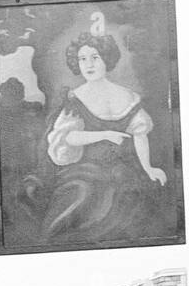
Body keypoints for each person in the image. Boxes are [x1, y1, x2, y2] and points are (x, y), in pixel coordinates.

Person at [40, 26, 168, 243]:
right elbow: (68, 137)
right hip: (84, 172)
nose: (88, 64)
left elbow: (140, 134)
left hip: (122, 170)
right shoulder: (75, 98)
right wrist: (104, 134)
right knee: (80, 198)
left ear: (106, 59)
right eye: (82, 59)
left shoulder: (128, 96)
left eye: (94, 57)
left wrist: (148, 168)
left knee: (136, 199)